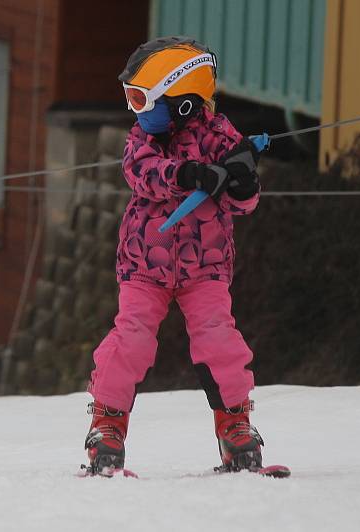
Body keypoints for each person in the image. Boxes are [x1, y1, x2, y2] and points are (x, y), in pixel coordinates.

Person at [84, 37, 268, 476]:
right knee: (132, 338)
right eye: (131, 98)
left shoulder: (223, 137)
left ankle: (235, 424)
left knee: (217, 336)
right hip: (144, 265)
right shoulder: (144, 137)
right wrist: (185, 173)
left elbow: (242, 203)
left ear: (182, 103)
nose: (136, 110)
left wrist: (242, 185)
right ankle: (107, 424)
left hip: (205, 266)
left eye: (142, 98)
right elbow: (140, 171)